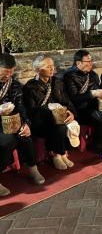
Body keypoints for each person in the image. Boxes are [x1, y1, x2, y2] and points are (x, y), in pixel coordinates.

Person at [0, 54, 45, 196]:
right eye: (6, 71)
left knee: (25, 134)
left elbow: (20, 107)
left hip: (11, 121)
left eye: (11, 71)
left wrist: (26, 123)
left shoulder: (14, 85)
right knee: (8, 140)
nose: (9, 74)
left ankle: (32, 168)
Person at [23, 55, 77, 170]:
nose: (52, 69)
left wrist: (71, 113)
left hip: (58, 118)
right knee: (60, 127)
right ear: (38, 70)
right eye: (48, 67)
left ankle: (62, 154)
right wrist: (48, 109)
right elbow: (31, 111)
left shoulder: (57, 82)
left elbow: (67, 101)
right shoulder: (30, 87)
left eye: (52, 66)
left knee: (62, 124)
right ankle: (57, 154)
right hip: (40, 122)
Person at [64, 50, 102, 153]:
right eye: (87, 61)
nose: (91, 63)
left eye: (91, 60)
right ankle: (96, 143)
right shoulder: (70, 76)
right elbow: (74, 98)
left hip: (94, 106)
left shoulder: (92, 75)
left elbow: (99, 90)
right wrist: (92, 94)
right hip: (80, 109)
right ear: (78, 63)